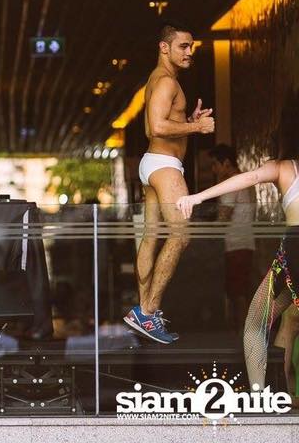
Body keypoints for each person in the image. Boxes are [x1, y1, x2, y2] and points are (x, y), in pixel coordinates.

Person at [176, 133, 299, 390]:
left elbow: (248, 177)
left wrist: (198, 197)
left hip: (295, 249)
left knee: (255, 322)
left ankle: (261, 397)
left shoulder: (285, 168)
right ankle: (282, 392)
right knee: (288, 320)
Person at [124, 23, 215, 344]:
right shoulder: (165, 81)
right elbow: (156, 127)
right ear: (164, 47)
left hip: (155, 163)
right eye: (183, 47)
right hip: (164, 166)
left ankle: (142, 311)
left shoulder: (160, 79)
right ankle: (147, 312)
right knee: (180, 235)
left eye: (192, 47)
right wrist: (198, 128)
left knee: (151, 237)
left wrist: (187, 121)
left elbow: (161, 125)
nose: (190, 52)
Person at [206, 144, 258, 331]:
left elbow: (223, 218)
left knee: (237, 292)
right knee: (242, 289)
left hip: (236, 244)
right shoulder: (246, 181)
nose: (213, 170)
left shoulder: (231, 184)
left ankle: (242, 332)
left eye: (215, 164)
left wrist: (202, 229)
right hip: (246, 242)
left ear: (226, 163)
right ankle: (245, 331)